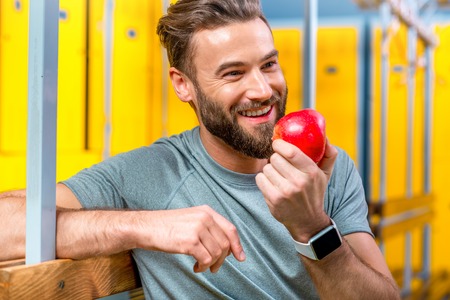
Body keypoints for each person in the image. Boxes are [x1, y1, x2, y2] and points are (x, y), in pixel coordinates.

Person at [0, 0, 400, 298]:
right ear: (182, 84)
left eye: (269, 65)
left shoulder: (326, 167)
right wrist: (142, 225)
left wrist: (313, 228)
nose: (262, 89)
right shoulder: (151, 173)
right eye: (233, 73)